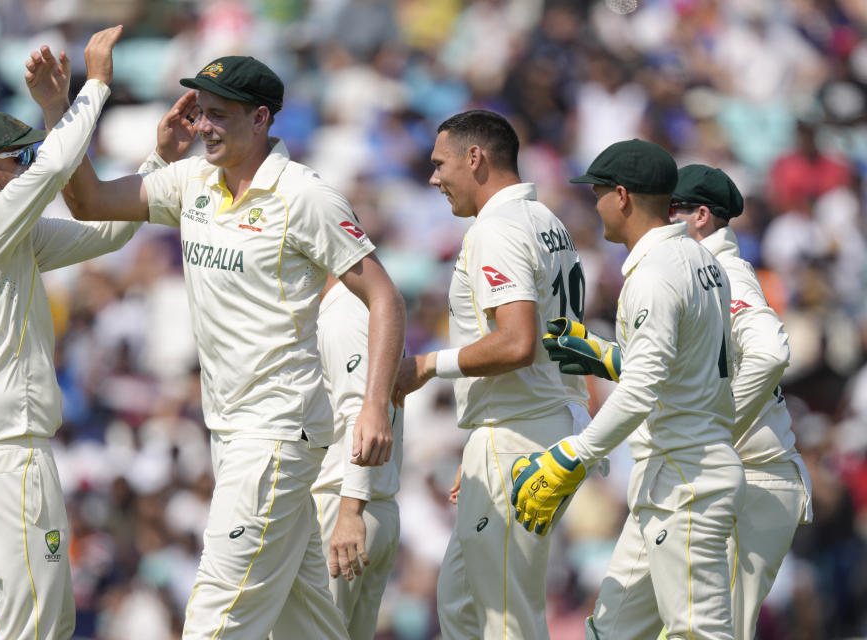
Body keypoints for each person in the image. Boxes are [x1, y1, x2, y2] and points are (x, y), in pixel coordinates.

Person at [60, 55, 406, 638]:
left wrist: (373, 405)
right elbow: (88, 202)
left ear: (261, 119)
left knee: (214, 619)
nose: (203, 126)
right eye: (200, 113)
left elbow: (385, 298)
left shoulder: (304, 196)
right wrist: (63, 109)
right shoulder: (191, 180)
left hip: (274, 431)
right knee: (307, 624)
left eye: (219, 114)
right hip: (231, 431)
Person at [0, 26, 157, 640]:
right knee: (40, 625)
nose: (29, 167)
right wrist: (97, 85)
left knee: (24, 622)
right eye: (16, 161)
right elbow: (58, 162)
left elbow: (110, 229)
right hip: (4, 455)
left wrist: (157, 160)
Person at [511, 139, 747, 640]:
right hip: (672, 475)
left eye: (597, 193)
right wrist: (606, 354)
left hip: (687, 477)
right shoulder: (701, 261)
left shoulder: (656, 274)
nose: (593, 205)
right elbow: (684, 367)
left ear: (621, 196)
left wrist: (575, 454)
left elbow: (643, 391)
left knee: (698, 633)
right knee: (611, 631)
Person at [392, 109, 591, 639]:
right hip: (529, 424)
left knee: (505, 617)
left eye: (440, 165)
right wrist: (483, 438)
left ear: (474, 158)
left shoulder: (497, 229)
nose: (434, 179)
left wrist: (429, 364)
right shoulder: (547, 221)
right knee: (462, 605)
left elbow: (517, 342)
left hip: (521, 433)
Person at [670, 165, 812, 639]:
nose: (659, 219)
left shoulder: (724, 273)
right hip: (730, 479)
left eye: (671, 209)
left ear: (702, 217)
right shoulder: (693, 273)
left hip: (754, 479)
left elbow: (772, 353)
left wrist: (715, 428)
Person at [301, 273, 403, 640]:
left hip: (343, 507)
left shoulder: (346, 311)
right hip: (366, 504)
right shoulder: (358, 307)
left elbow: (362, 417)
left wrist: (349, 512)